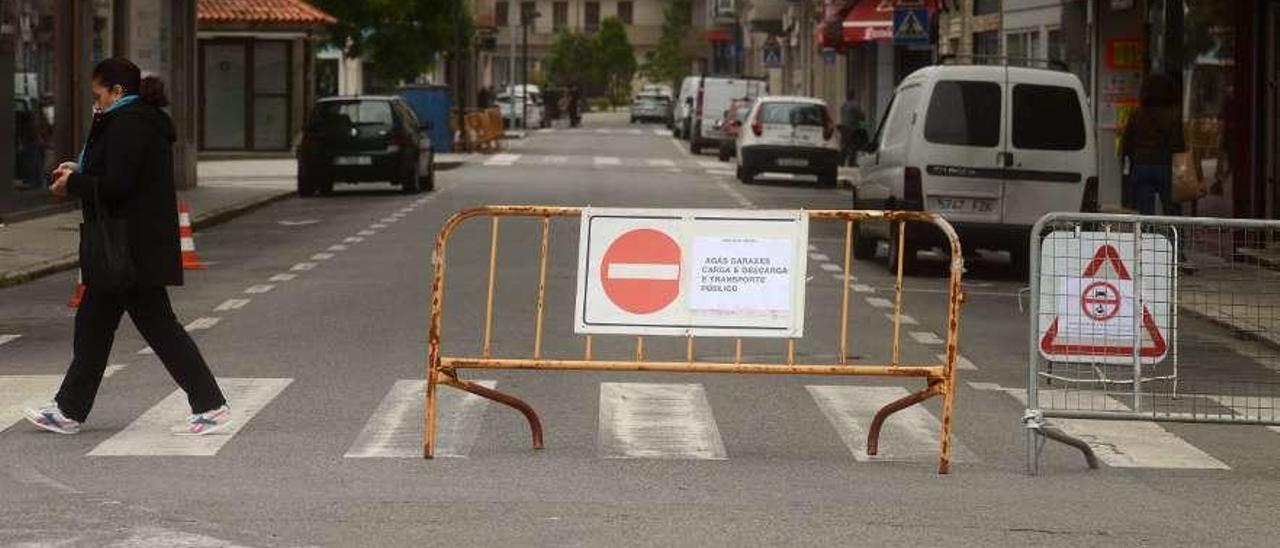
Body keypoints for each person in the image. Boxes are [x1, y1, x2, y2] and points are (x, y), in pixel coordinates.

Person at [24, 58, 230, 436]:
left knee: (157, 328)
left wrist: (73, 184)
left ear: (117, 91)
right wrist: (79, 172)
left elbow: (118, 185)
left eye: (99, 94)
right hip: (126, 246)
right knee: (94, 325)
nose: (95, 102)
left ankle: (211, 404)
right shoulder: (132, 120)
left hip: (130, 249)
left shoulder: (129, 124)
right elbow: (113, 174)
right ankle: (68, 410)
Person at [1122, 73, 1185, 215]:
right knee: (1172, 211)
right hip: (1165, 166)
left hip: (1141, 166)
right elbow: (1177, 145)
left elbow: (1127, 144)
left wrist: (1129, 167)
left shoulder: (1136, 114)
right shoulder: (1173, 115)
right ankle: (1174, 235)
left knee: (1146, 213)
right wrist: (1181, 170)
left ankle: (1148, 235)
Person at [838, 90, 867, 168]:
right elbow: (862, 117)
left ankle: (841, 162)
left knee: (844, 146)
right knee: (853, 146)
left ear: (847, 96)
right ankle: (851, 163)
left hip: (843, 128)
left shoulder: (843, 105)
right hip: (852, 129)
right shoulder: (855, 105)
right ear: (853, 96)